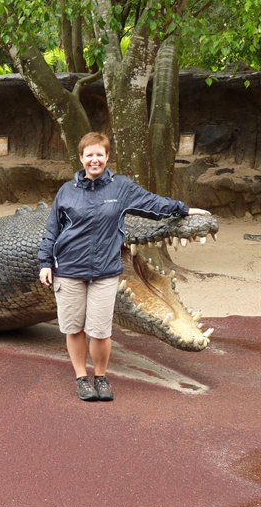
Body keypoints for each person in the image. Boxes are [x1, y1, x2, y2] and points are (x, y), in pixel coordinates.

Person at [37, 132, 210, 402]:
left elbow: (152, 204)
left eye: (100, 154)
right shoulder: (66, 191)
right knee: (74, 328)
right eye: (89, 154)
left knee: (101, 331)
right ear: (81, 158)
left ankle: (102, 376)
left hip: (104, 271)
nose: (94, 159)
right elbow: (52, 229)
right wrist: (45, 262)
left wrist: (183, 210)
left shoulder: (122, 187)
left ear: (107, 157)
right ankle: (82, 377)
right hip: (69, 269)